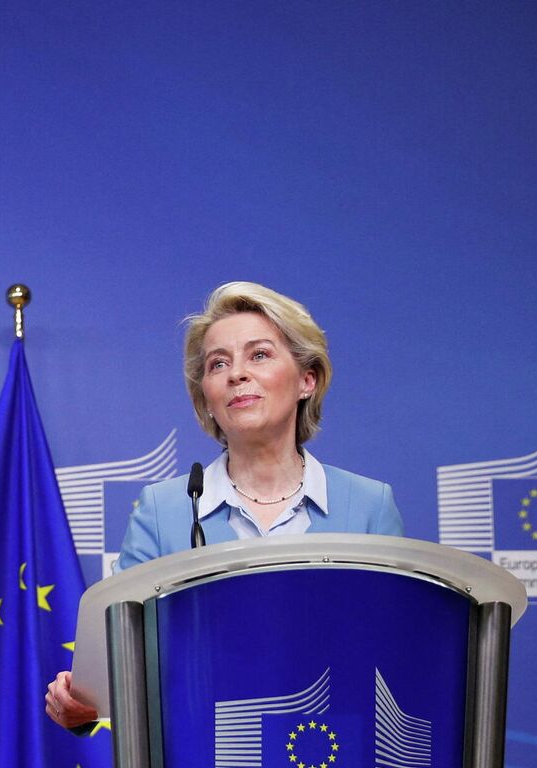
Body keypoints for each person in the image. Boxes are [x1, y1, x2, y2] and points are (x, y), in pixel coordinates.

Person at [43, 281, 402, 730]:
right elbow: (119, 662)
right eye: (218, 364)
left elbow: (396, 661)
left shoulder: (368, 505)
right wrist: (84, 705)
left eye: (260, 355)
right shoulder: (163, 510)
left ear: (307, 380)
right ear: (207, 399)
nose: (237, 374)